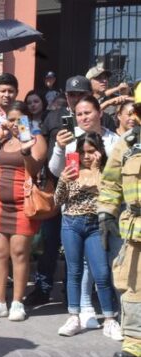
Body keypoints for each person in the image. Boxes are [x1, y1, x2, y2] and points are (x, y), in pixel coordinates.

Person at [26, 75, 95, 307]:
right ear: (66, 95)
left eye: (80, 94)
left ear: (89, 95)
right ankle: (43, 289)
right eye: (72, 94)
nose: (75, 98)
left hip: (85, 192)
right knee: (50, 243)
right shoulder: (54, 117)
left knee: (79, 249)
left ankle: (72, 291)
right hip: (55, 188)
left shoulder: (95, 119)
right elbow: (41, 148)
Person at [0, 101, 47, 321]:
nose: (15, 124)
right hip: (0, 205)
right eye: (11, 120)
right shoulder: (4, 141)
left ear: (27, 120)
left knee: (19, 253)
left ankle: (17, 302)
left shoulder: (36, 140)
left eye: (20, 120)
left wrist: (26, 148)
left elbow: (35, 169)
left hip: (22, 205)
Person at [54, 132, 123, 340]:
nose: (87, 156)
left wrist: (96, 170)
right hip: (71, 223)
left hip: (95, 225)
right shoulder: (71, 171)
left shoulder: (106, 172)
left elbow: (109, 196)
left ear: (100, 152)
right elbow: (57, 201)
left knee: (101, 273)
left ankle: (110, 320)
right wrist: (62, 181)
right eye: (83, 152)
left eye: (91, 151)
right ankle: (74, 316)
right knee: (74, 271)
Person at [98, 84, 141, 357]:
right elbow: (110, 184)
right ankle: (134, 345)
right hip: (135, 233)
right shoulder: (126, 145)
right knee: (133, 289)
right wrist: (105, 214)